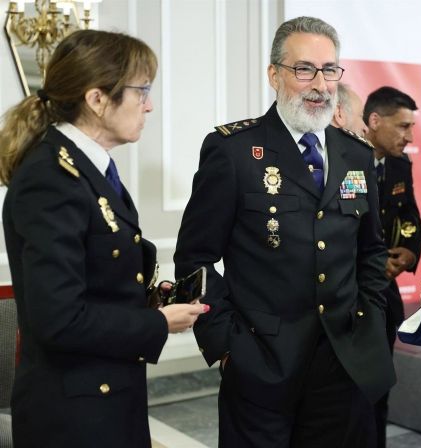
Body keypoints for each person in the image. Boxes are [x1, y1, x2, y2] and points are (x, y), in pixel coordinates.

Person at [174, 16, 395, 448]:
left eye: (329, 70)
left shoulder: (356, 154)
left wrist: (368, 317)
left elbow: (370, 250)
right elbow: (194, 258)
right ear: (274, 75)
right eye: (304, 69)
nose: (321, 84)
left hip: (344, 365)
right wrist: (225, 345)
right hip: (260, 365)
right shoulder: (234, 151)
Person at [0, 30, 208, 448]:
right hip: (73, 415)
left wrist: (149, 301)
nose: (149, 105)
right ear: (97, 99)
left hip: (107, 396)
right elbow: (58, 319)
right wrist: (157, 323)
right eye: (141, 90)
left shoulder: (90, 167)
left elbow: (98, 279)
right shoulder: (52, 179)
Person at [363, 86, 421, 447]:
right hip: (352, 293)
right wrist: (374, 262)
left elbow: (411, 218)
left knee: (380, 384)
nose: (409, 137)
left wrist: (410, 253)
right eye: (403, 126)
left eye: (411, 127)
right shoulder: (344, 161)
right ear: (374, 121)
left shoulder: (400, 165)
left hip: (384, 295)